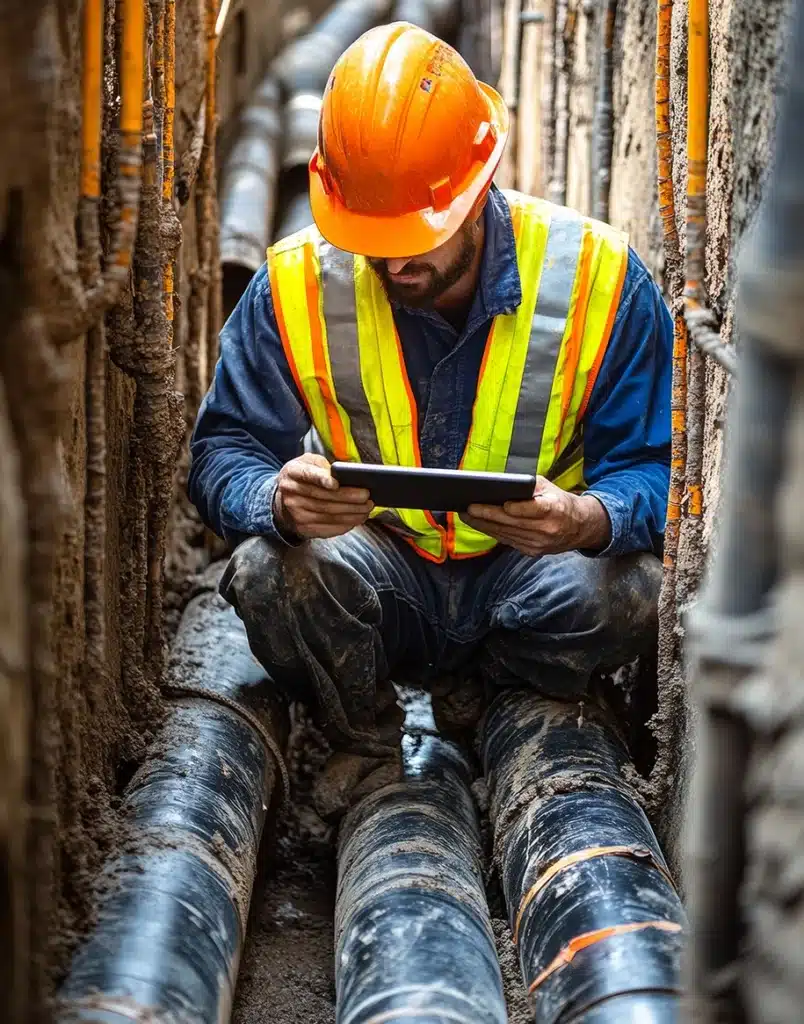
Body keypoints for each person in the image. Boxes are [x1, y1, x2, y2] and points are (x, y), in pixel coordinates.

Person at [189, 22, 671, 819]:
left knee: (628, 590)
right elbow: (221, 453)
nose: (394, 264)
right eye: (372, 242)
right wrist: (276, 497)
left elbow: (658, 471)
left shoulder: (599, 277)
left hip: (531, 582)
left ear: (479, 189)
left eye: (416, 239)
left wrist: (586, 518)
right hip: (383, 575)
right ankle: (364, 736)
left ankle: (499, 703)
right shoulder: (295, 283)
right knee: (268, 570)